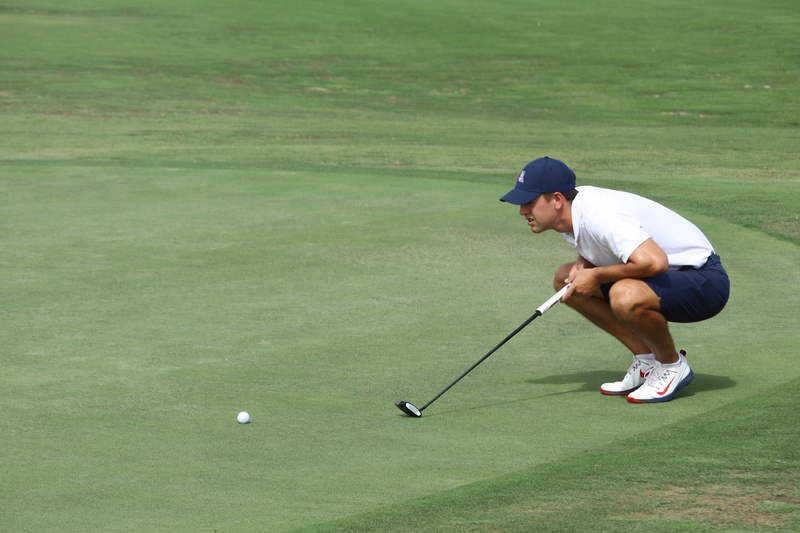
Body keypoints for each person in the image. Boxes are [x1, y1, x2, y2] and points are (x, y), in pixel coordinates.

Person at [500, 156, 730, 403]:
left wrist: (596, 274)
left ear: (556, 199)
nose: (522, 211)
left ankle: (671, 365)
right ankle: (646, 359)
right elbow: (602, 242)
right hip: (671, 277)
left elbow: (655, 262)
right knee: (565, 280)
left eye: (530, 202)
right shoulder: (573, 207)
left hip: (704, 281)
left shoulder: (600, 214)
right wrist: (584, 262)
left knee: (624, 295)